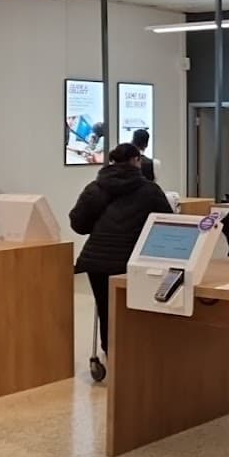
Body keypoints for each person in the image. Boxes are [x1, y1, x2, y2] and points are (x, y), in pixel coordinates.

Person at [70, 143, 174, 354]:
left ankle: (110, 351)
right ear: (136, 161)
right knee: (136, 307)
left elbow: (78, 224)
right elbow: (167, 224)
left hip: (96, 260)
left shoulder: (94, 188)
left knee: (105, 307)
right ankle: (134, 354)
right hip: (134, 260)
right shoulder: (149, 190)